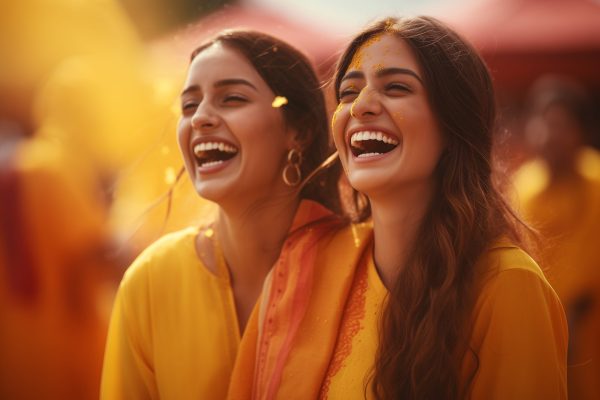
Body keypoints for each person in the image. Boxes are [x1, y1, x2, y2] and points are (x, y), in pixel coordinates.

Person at [227, 16, 568, 399]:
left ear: (453, 124)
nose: (361, 107)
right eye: (348, 92)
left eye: (397, 87)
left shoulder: (506, 285)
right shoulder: (304, 265)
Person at [100, 30, 344, 399]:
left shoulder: (360, 267)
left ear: (300, 131)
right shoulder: (152, 281)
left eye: (232, 98)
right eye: (188, 106)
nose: (200, 119)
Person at [514, 76, 600, 400]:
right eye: (545, 123)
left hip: (590, 326)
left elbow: (590, 258)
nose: (551, 135)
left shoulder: (595, 181)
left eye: (562, 125)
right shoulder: (522, 188)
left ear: (583, 131)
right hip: (541, 327)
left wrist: (570, 314)